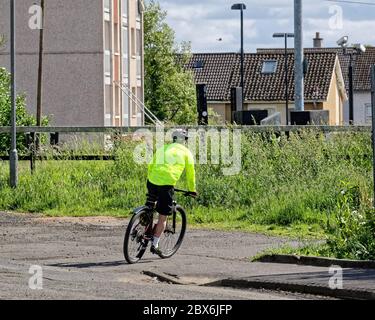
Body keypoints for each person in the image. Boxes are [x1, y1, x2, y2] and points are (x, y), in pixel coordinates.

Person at [147, 129, 197, 255]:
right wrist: (192, 190)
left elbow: (151, 165)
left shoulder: (164, 148)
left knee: (151, 204)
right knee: (163, 217)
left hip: (152, 181)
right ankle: (155, 244)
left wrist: (150, 179)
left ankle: (144, 220)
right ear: (184, 140)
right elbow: (191, 174)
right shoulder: (186, 153)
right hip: (167, 184)